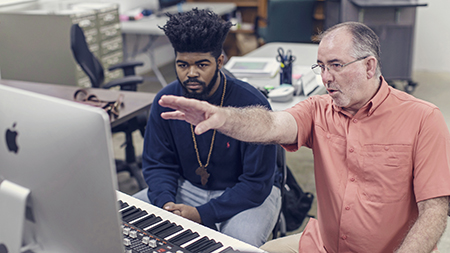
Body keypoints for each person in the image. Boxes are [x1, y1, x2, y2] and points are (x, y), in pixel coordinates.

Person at [157, 21, 450, 253]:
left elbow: (435, 210)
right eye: (321, 66)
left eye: (336, 65)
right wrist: (224, 118)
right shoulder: (319, 109)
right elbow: (270, 124)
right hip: (323, 246)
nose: (325, 78)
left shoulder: (423, 118)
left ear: (369, 66)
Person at [132, 8, 281, 247]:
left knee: (238, 245)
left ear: (219, 61)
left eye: (202, 65)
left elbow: (256, 184)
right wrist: (165, 205)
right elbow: (158, 164)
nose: (191, 73)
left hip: (247, 194)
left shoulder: (251, 103)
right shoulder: (166, 100)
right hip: (187, 187)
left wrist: (202, 215)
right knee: (128, 221)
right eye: (183, 65)